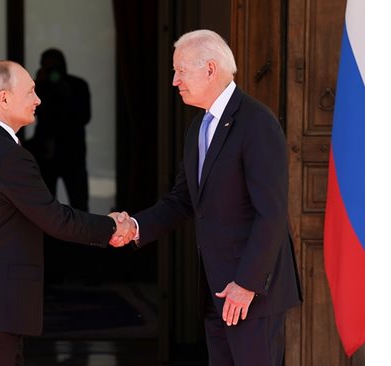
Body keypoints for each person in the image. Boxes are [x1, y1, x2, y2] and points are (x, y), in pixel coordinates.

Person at [113, 30, 302, 365]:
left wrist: (245, 284)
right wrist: (136, 225)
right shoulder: (198, 126)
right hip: (216, 292)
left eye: (181, 71)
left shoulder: (256, 123)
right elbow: (182, 199)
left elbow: (270, 213)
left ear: (210, 69)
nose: (174, 81)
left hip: (251, 295)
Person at [0, 60, 134, 366]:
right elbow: (54, 218)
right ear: (3, 98)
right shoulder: (8, 156)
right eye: (30, 92)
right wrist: (110, 226)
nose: (38, 99)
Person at [28, 48, 91, 211]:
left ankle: (83, 236)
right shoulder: (38, 89)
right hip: (46, 155)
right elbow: (27, 113)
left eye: (55, 67)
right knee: (45, 208)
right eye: (47, 68)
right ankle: (48, 238)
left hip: (73, 154)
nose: (53, 73)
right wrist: (39, 85)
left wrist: (67, 93)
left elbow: (84, 116)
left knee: (80, 206)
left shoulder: (77, 86)